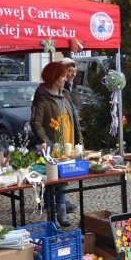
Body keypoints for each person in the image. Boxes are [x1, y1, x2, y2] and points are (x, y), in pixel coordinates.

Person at [31, 61, 83, 226]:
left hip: (67, 144)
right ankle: (57, 215)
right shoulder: (43, 99)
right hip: (53, 147)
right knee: (57, 181)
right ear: (53, 78)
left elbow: (74, 118)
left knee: (63, 178)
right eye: (62, 76)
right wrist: (46, 141)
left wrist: (78, 141)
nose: (65, 79)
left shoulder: (65, 94)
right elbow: (36, 123)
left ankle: (60, 212)